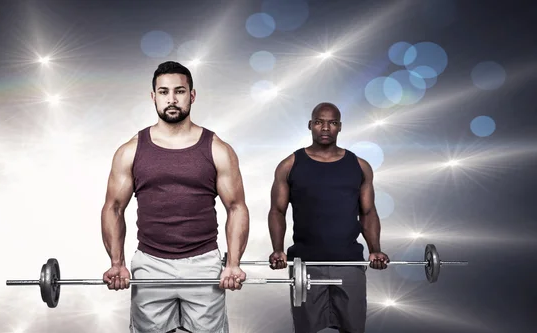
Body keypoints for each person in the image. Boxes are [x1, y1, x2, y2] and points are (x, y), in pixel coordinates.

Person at [100, 61, 250, 333]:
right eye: (163, 91)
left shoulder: (217, 149)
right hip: (151, 262)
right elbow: (113, 208)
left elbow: (237, 207)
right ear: (153, 96)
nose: (171, 99)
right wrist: (117, 263)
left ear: (192, 95)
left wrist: (233, 264)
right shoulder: (130, 150)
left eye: (179, 91)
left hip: (203, 263)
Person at [267, 102, 390, 333]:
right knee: (306, 329)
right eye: (319, 122)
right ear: (310, 125)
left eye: (332, 123)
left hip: (349, 263)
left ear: (340, 127)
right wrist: (278, 249)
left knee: (353, 328)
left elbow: (368, 212)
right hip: (306, 265)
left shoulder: (360, 166)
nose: (325, 128)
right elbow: (277, 211)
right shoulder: (289, 165)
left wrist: (375, 249)